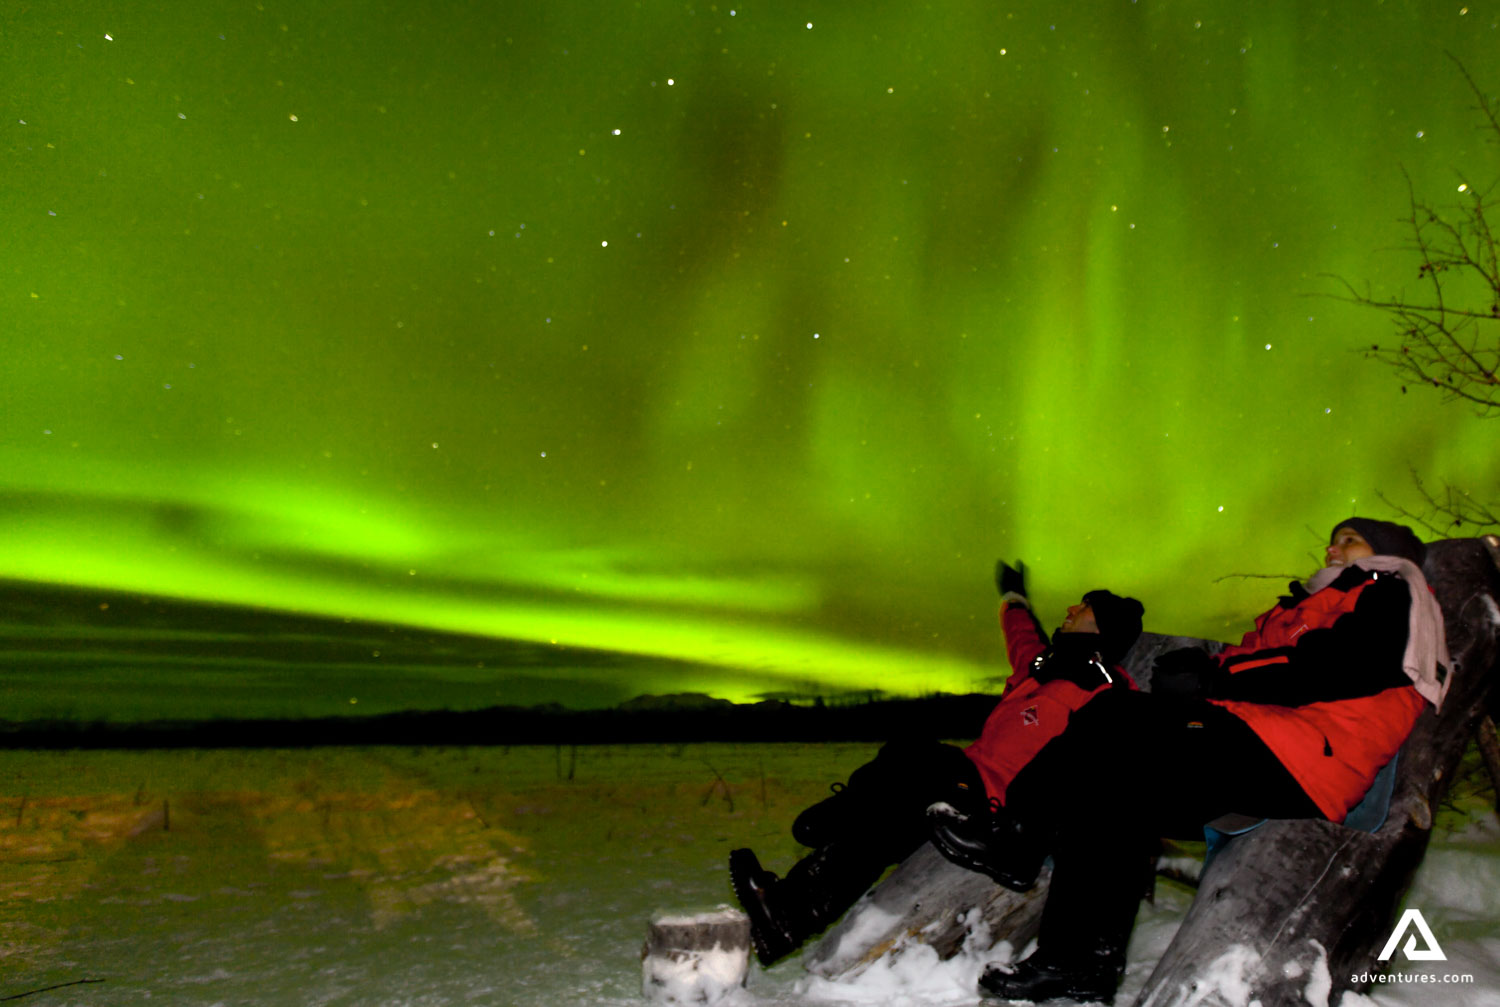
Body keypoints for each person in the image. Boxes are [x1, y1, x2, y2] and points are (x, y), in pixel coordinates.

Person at [932, 518, 1450, 1004]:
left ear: (1386, 551)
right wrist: (1209, 676)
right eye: (1333, 541)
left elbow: (1339, 665)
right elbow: (1262, 667)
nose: (1332, 549)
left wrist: (1211, 677)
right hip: (1262, 746)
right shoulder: (1305, 605)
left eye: (1349, 540)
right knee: (1115, 787)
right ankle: (1079, 963)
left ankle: (1021, 833)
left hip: (1309, 758)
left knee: (1114, 715)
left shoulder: (1391, 589)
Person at [727, 562, 1146, 966]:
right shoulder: (1043, 669)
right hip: (966, 780)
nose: (1070, 610)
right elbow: (1021, 635)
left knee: (920, 762)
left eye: (1082, 608)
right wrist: (1013, 595)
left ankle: (837, 819)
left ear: (1102, 626)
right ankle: (785, 916)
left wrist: (1033, 833)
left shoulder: (1107, 693)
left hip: (999, 809)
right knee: (884, 817)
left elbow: (1101, 774)